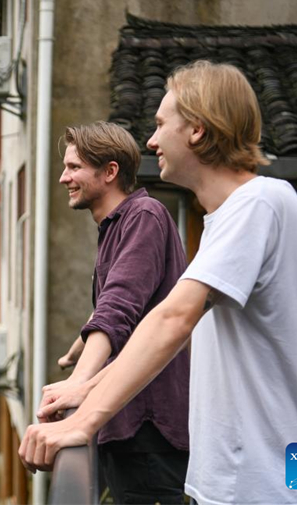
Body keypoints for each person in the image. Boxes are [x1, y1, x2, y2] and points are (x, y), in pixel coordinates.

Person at [19, 61, 297, 505]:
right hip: (262, 479)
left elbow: (172, 318)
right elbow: (191, 334)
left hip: (267, 485)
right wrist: (88, 386)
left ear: (197, 131)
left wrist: (82, 420)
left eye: (162, 124)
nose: (150, 141)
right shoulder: (228, 221)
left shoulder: (261, 203)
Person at [42, 121, 190, 504]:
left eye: (74, 167)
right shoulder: (119, 225)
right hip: (131, 428)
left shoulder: (143, 216)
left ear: (109, 172)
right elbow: (127, 304)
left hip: (147, 430)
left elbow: (119, 306)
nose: (63, 178)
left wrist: (79, 385)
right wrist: (80, 342)